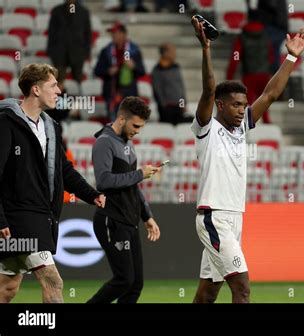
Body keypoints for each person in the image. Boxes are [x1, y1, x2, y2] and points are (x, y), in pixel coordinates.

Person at [190, 17, 304, 303]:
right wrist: (206, 49)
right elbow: (209, 88)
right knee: (242, 289)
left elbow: (270, 94)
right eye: (235, 105)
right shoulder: (207, 126)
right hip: (214, 216)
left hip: (234, 217)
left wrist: (291, 56)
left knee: (207, 295)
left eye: (244, 105)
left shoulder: (241, 126)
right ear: (220, 105)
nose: (241, 110)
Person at [0, 64, 106, 303]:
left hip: (39, 218)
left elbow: (64, 171)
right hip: (20, 220)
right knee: (53, 281)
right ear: (36, 89)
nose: (59, 91)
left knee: (7, 288)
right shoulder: (5, 123)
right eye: (53, 85)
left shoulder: (51, 128)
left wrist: (91, 195)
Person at [87, 96, 161, 304]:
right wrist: (139, 174)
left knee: (135, 284)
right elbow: (103, 181)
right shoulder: (104, 143)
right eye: (135, 125)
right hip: (111, 220)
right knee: (124, 280)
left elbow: (131, 185)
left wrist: (146, 216)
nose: (138, 130)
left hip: (129, 220)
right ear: (121, 119)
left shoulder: (127, 143)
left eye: (141, 127)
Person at [227, 9, 273, 123]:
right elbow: (271, 56)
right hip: (264, 74)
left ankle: (248, 135)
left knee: (248, 108)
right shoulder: (265, 35)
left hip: (249, 75)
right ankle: (268, 130)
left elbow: (235, 58)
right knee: (265, 107)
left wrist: (229, 77)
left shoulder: (242, 36)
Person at [94, 21, 146, 121]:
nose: (113, 36)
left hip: (129, 94)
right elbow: (97, 70)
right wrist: (108, 71)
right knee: (114, 124)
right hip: (111, 93)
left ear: (123, 34)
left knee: (128, 124)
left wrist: (134, 66)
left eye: (116, 33)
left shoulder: (134, 50)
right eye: (112, 33)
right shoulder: (106, 51)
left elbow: (142, 71)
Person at [47, 0, 92, 84]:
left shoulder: (84, 12)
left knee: (78, 82)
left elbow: (87, 34)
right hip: (59, 53)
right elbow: (51, 32)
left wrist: (86, 52)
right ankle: (60, 97)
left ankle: (77, 97)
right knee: (59, 83)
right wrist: (51, 51)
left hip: (78, 53)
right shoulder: (56, 11)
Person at [151, 43, 192, 125]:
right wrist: (164, 107)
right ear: (165, 53)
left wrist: (183, 104)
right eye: (172, 51)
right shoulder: (157, 70)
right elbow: (158, 90)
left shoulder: (176, 67)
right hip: (167, 109)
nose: (174, 54)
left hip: (178, 107)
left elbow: (180, 88)